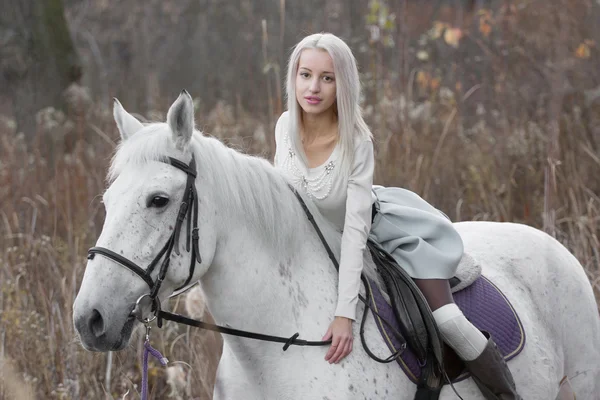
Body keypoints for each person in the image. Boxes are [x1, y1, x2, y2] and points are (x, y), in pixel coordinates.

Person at [273, 32, 520, 399]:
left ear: (344, 84)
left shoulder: (356, 142)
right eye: (305, 74)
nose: (314, 87)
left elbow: (355, 231)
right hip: (313, 243)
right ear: (293, 77)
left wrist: (345, 315)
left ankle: (506, 395)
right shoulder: (284, 127)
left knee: (448, 322)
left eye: (327, 78)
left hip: (378, 232)